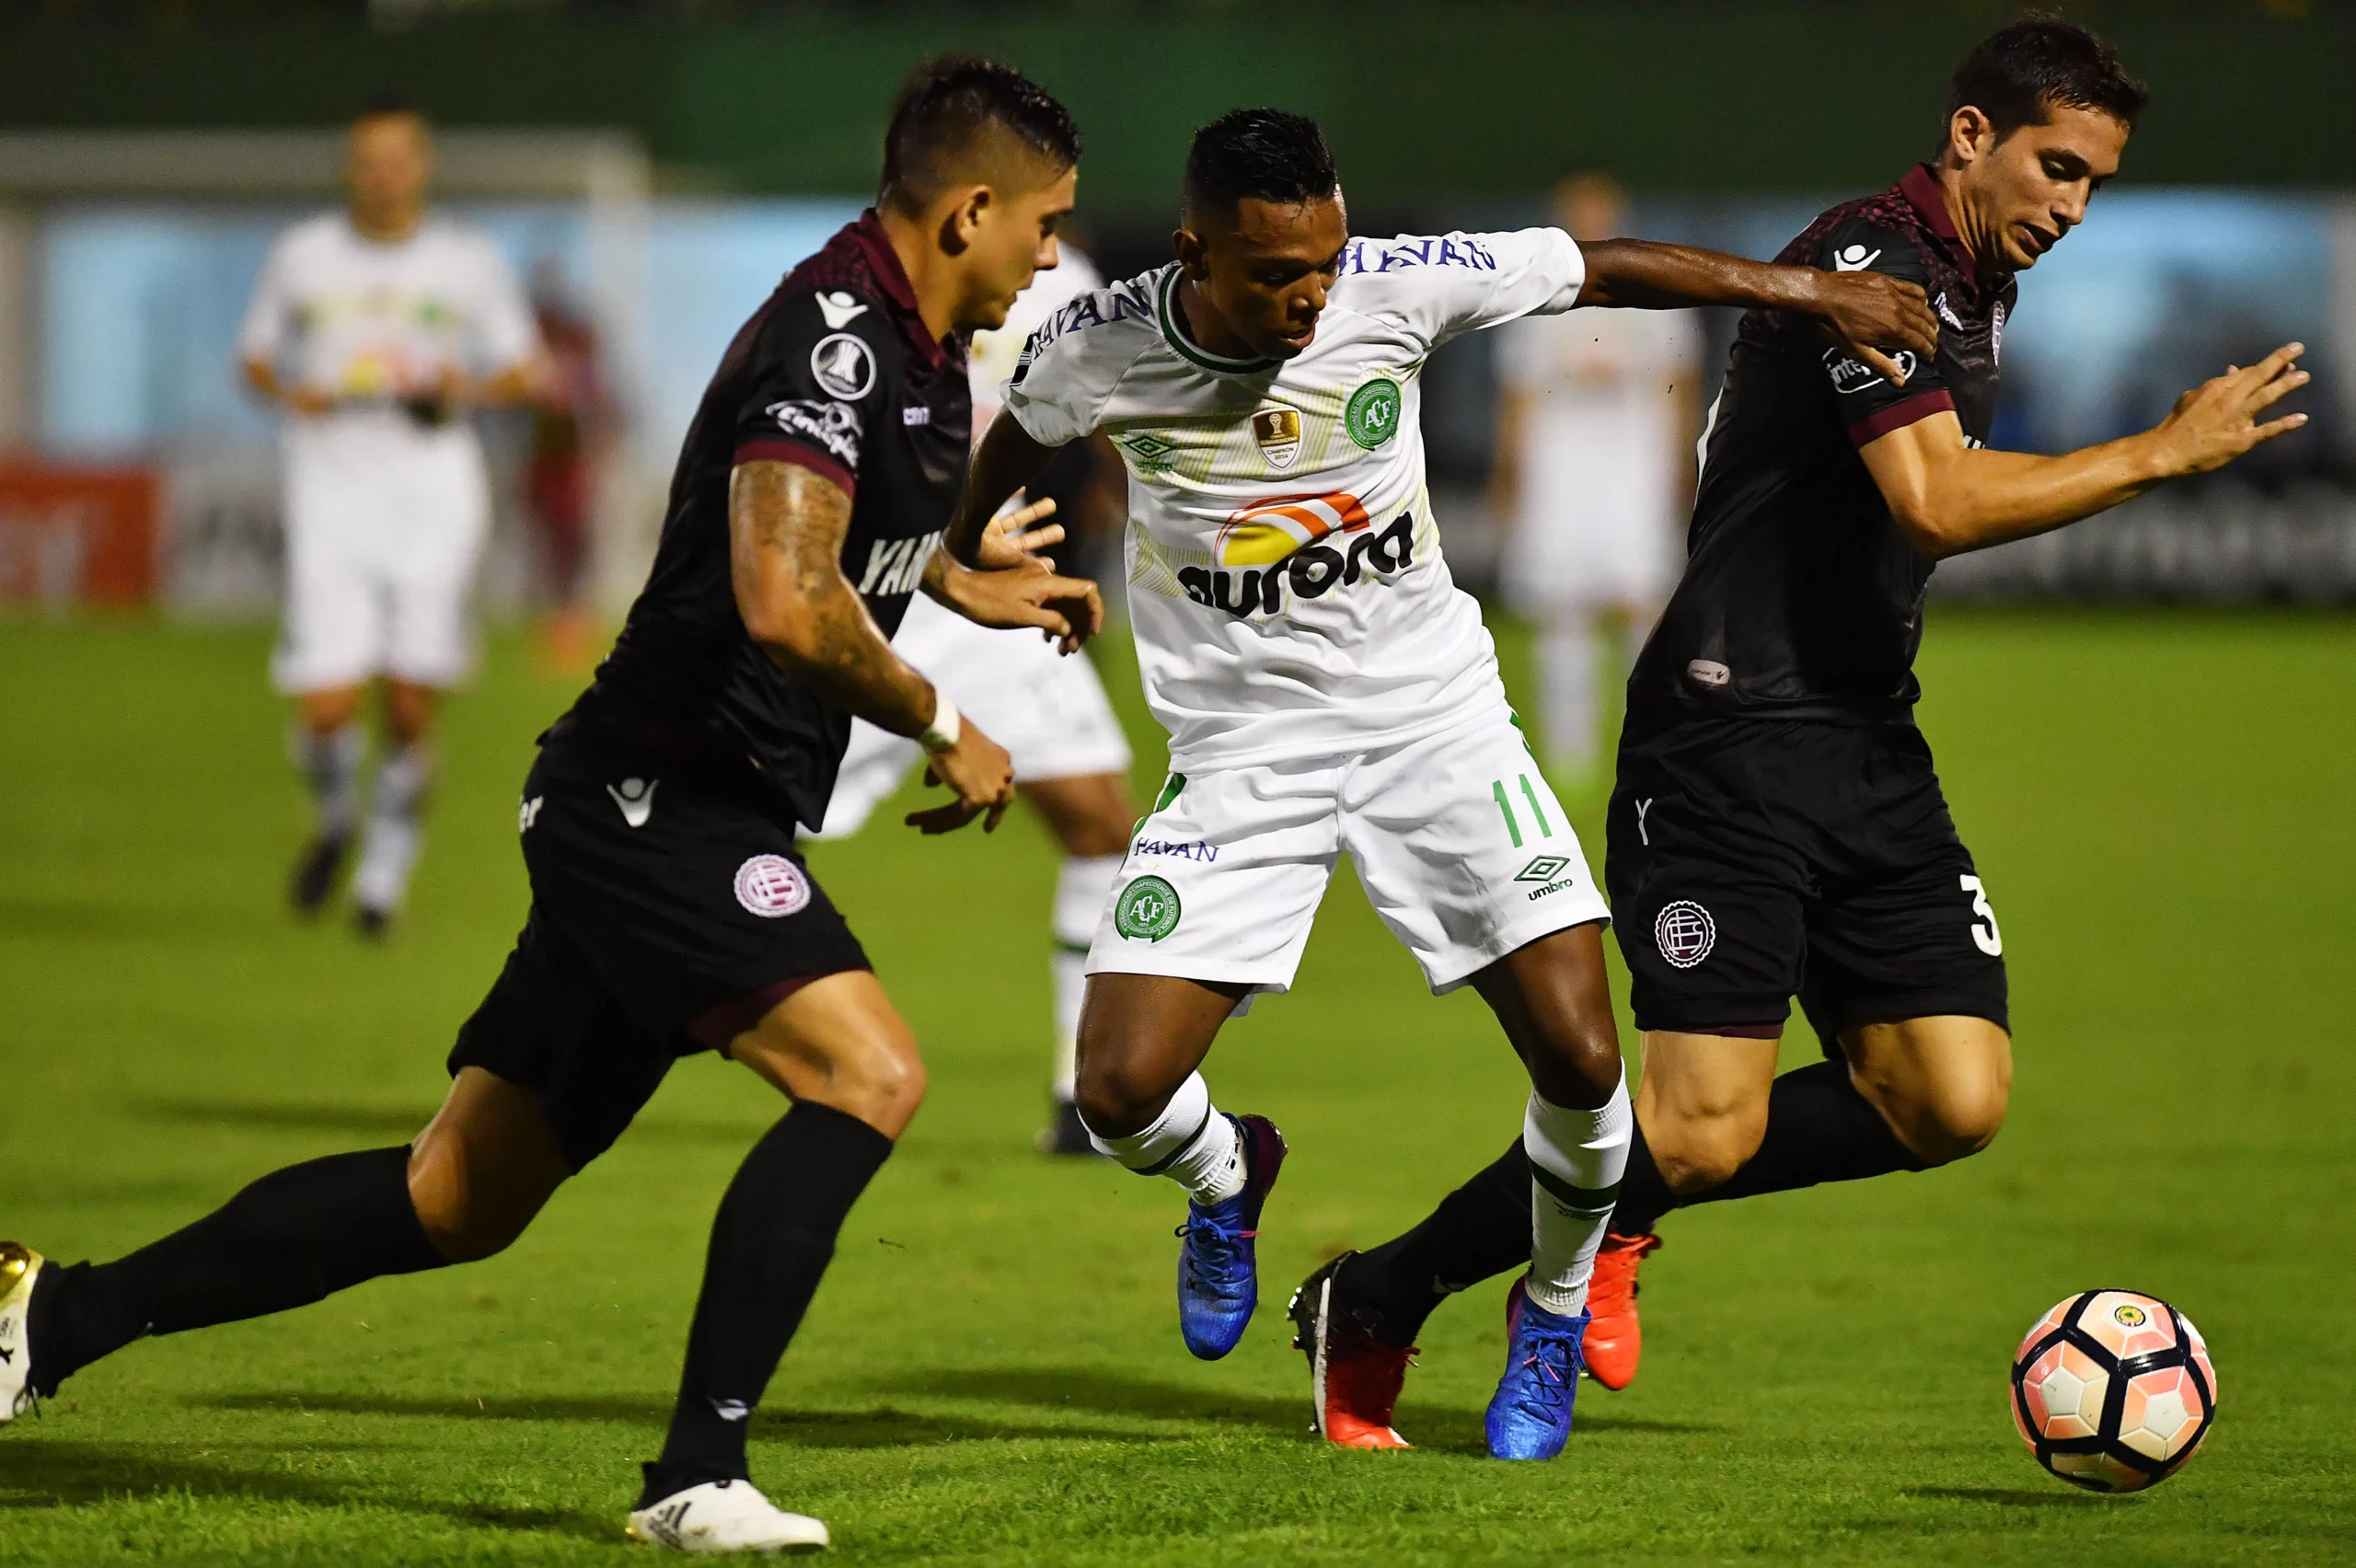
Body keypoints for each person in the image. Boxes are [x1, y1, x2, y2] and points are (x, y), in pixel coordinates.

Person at [1, 57, 1100, 1553]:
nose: (1051, 252)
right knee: (869, 1074)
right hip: (658, 797)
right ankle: (696, 1471)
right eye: (1045, 223)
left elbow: (829, 545)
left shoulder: (919, 346)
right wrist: (943, 715)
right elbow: (784, 600)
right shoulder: (835, 340)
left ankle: (50, 1314)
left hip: (672, 804)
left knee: (457, 1195)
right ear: (970, 207)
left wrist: (960, 577)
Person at [1299, 16, 2308, 1438]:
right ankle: (1392, 1293)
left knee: (1950, 1098)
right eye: (2057, 169)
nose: (2073, 209)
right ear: (1973, 138)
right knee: (1703, 1129)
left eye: (2095, 184)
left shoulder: (1970, 274)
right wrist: (2161, 450)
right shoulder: (1869, 267)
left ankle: (1621, 1212)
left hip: (1862, 738)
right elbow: (1938, 505)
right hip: (1723, 744)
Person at [950, 109, 1937, 1460]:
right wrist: (967, 552)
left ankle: (1549, 1304)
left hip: (1435, 725)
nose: (1310, 297)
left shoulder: (1389, 287)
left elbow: (1603, 268)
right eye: (1273, 275)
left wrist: (1809, 289)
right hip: (1244, 755)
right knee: (1117, 1096)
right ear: (1195, 252)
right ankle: (1229, 1174)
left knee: (1589, 1066)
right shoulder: (1100, 344)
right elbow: (1017, 433)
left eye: (1323, 262)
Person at [814, 239, 1138, 1157]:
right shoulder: (861, 288)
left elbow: (1108, 391)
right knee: (740, 824)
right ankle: (578, 1022)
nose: (1046, 243)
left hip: (993, 591)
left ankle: (1080, 1098)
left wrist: (1118, 482)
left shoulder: (1064, 282)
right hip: (883, 595)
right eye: (1042, 209)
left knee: (1101, 824)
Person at [239, 97, 545, 937]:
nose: (383, 174)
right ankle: (338, 818)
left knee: (411, 703)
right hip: (331, 492)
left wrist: (464, 389)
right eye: (368, 159)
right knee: (326, 706)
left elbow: (527, 371)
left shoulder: (466, 262)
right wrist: (289, 390)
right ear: (349, 168)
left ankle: (382, 880)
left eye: (397, 157)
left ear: (423, 163)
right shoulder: (304, 256)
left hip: (431, 495)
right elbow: (255, 359)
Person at [1492, 173, 1702, 788]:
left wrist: (1680, 466)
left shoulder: (1656, 281)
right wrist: (1509, 476)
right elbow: (1517, 396)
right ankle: (1570, 758)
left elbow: (1682, 382)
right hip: (1560, 471)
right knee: (1563, 609)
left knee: (1644, 603)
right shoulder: (1530, 295)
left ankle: (1651, 742)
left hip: (1632, 467)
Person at [524, 257, 615, 675]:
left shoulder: (578, 346)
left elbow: (600, 403)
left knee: (574, 543)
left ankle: (572, 624)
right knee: (547, 544)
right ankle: (553, 624)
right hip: (542, 456)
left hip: (571, 459)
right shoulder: (533, 342)